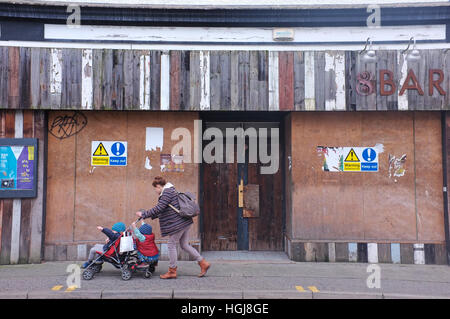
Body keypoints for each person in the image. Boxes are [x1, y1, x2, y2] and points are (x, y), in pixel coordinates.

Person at [136, 176, 210, 279]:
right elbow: (164, 209)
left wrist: (144, 214)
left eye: (155, 189)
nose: (155, 191)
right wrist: (148, 215)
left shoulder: (166, 193)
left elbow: (159, 208)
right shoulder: (171, 190)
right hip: (184, 222)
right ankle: (203, 263)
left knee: (171, 244)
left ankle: (172, 270)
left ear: (158, 186)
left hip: (178, 224)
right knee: (184, 245)